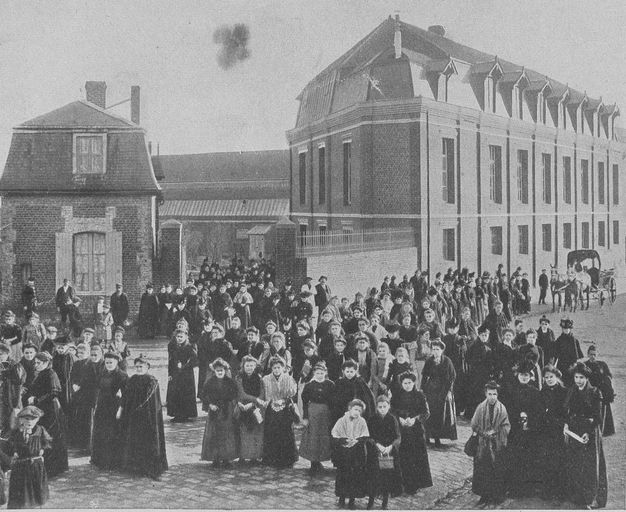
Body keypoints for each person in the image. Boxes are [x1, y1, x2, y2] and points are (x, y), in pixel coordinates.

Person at [563, 362, 607, 509]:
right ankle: (578, 496)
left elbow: (598, 418)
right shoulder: (572, 390)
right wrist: (566, 424)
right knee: (576, 464)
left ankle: (592, 498)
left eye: (581, 377)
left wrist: (588, 432)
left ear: (587, 378)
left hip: (590, 432)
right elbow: (567, 412)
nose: (578, 380)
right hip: (575, 431)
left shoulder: (595, 392)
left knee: (591, 466)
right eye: (576, 377)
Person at [119, 355, 168, 479]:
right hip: (133, 416)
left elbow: (150, 400)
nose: (139, 369)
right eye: (136, 367)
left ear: (147, 367)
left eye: (141, 366)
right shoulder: (132, 379)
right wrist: (123, 409)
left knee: (147, 441)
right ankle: (134, 466)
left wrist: (140, 411)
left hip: (147, 417)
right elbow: (126, 396)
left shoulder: (152, 381)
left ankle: (148, 467)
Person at [25, 351, 68, 477]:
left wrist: (37, 400)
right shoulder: (40, 373)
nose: (36, 365)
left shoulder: (51, 374)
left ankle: (53, 468)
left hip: (51, 410)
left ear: (46, 363)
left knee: (50, 435)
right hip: (43, 409)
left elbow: (55, 391)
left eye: (39, 363)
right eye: (35, 363)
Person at [505, 360, 544, 498]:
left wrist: (529, 416)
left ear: (531, 376)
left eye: (527, 375)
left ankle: (528, 488)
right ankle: (514, 487)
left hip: (529, 430)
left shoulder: (535, 392)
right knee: (514, 457)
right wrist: (518, 415)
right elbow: (507, 409)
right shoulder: (510, 390)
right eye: (522, 374)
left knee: (528, 457)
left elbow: (539, 411)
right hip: (515, 429)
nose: (524, 377)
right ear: (517, 375)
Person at [390, 372, 432, 494]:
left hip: (415, 431)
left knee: (415, 457)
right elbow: (392, 411)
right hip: (401, 430)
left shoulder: (420, 396)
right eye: (404, 383)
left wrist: (415, 419)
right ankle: (400, 483)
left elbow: (426, 412)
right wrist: (399, 419)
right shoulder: (396, 396)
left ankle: (414, 484)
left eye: (409, 383)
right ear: (401, 384)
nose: (407, 385)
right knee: (402, 456)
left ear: (414, 383)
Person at [470, 381, 510, 507]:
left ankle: (496, 495)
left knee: (496, 470)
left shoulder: (501, 408)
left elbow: (506, 426)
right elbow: (474, 425)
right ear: (485, 394)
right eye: (489, 394)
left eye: (494, 394)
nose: (492, 397)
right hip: (483, 444)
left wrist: (496, 431)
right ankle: (484, 495)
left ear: (497, 395)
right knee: (483, 470)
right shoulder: (480, 407)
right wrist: (483, 433)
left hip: (497, 444)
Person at [3, 406, 51, 509]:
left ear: (37, 419)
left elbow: (46, 442)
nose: (29, 422)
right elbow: (9, 445)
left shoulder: (40, 430)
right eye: (26, 419)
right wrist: (14, 452)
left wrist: (42, 449)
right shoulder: (16, 432)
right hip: (21, 465)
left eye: (33, 419)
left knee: (37, 489)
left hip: (35, 465)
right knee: (22, 491)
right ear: (21, 419)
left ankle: (37, 506)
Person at [331, 399, 373, 510]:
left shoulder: (362, 421)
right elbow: (335, 433)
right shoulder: (341, 420)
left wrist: (357, 441)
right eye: (355, 409)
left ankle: (352, 500)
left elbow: (365, 435)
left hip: (356, 452)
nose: (356, 412)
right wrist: (344, 440)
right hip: (344, 452)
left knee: (354, 476)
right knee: (343, 475)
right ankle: (341, 497)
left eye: (359, 411)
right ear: (350, 408)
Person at [90, 352, 128, 470]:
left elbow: (126, 395)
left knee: (112, 433)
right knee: (100, 432)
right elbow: (98, 389)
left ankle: (113, 461)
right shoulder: (102, 373)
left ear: (117, 362)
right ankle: (99, 459)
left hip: (114, 408)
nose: (109, 365)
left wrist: (120, 409)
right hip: (102, 407)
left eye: (111, 363)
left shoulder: (122, 375)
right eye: (107, 362)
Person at [201, 358, 239, 469]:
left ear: (225, 370)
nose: (220, 372)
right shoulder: (210, 382)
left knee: (227, 434)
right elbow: (204, 395)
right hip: (214, 411)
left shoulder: (230, 382)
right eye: (217, 370)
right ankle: (215, 459)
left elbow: (234, 394)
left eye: (221, 370)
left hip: (226, 411)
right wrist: (210, 405)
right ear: (214, 371)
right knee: (214, 435)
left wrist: (230, 405)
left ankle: (226, 459)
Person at [366, 395, 403, 510]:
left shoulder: (392, 419)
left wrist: (390, 447)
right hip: (375, 452)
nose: (382, 409)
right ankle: (371, 500)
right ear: (377, 407)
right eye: (380, 407)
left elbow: (398, 437)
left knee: (386, 476)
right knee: (373, 476)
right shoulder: (372, 419)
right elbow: (368, 436)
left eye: (384, 406)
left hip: (388, 453)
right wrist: (377, 445)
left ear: (389, 407)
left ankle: (385, 501)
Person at [261, 356, 298, 469]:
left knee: (285, 433)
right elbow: (264, 394)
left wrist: (284, 400)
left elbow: (293, 394)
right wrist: (271, 401)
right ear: (271, 368)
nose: (276, 370)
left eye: (278, 367)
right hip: (271, 408)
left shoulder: (289, 378)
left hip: (285, 408)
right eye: (274, 367)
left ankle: (287, 459)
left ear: (283, 367)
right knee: (272, 432)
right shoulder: (266, 379)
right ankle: (272, 458)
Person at [300, 362, 335, 476]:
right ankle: (313, 462)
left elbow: (333, 401)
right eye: (318, 373)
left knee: (323, 436)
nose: (320, 375)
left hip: (325, 412)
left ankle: (320, 460)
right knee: (313, 436)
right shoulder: (309, 386)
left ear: (325, 373)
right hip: (313, 412)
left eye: (322, 373)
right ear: (314, 373)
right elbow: (305, 402)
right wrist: (305, 417)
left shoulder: (330, 385)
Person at [539, 364, 568, 499]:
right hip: (546, 429)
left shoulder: (563, 391)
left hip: (558, 429)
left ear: (556, 377)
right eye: (546, 377)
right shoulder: (543, 392)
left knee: (559, 459)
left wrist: (560, 423)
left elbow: (566, 412)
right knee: (546, 459)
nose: (549, 379)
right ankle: (547, 491)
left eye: (551, 377)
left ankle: (560, 491)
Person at [421, 339, 457, 446]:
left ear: (442, 350)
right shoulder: (429, 361)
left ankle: (437, 438)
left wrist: (449, 391)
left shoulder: (447, 361)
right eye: (434, 349)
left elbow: (451, 378)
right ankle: (427, 437)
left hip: (443, 389)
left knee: (440, 414)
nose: (435, 352)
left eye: (438, 349)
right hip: (431, 390)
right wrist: (422, 390)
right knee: (429, 413)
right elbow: (424, 376)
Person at [68, 343, 102, 452]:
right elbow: (75, 377)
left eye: (83, 353)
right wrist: (75, 384)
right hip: (82, 395)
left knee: (91, 420)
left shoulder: (97, 365)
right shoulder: (81, 364)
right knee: (83, 419)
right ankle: (82, 443)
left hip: (94, 395)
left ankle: (90, 445)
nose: (93, 357)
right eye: (79, 353)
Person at [235, 356, 266, 465]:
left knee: (255, 432)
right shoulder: (239, 378)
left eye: (251, 365)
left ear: (255, 366)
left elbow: (262, 394)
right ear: (243, 366)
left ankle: (254, 456)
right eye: (247, 365)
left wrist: (254, 403)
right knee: (243, 433)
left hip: (255, 407)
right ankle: (242, 456)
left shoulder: (259, 378)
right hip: (242, 406)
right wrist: (253, 400)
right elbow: (241, 393)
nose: (249, 368)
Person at [166, 329, 198, 422]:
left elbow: (195, 361)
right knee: (175, 393)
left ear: (186, 337)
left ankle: (186, 414)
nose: (179, 339)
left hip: (186, 375)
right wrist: (170, 374)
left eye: (181, 337)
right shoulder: (174, 347)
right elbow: (171, 362)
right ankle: (177, 414)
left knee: (185, 393)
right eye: (178, 337)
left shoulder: (189, 347)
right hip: (176, 374)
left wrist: (184, 366)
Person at [585, 345, 615, 436]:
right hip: (591, 391)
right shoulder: (585, 365)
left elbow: (609, 376)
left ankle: (606, 431)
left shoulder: (602, 364)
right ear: (588, 354)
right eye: (591, 354)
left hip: (602, 391)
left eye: (594, 354)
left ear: (597, 354)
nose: (593, 356)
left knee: (604, 410)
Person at [0, 343, 25, 436]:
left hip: (11, 398)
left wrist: (6, 373)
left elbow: (20, 379)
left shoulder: (15, 365)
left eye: (1, 354)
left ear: (7, 354)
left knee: (12, 423)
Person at [553, 317, 583, 387]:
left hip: (571, 366)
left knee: (571, 383)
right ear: (562, 329)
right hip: (561, 365)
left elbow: (576, 356)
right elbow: (555, 354)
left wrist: (573, 366)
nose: (566, 330)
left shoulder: (574, 340)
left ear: (570, 329)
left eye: (568, 329)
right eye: (564, 329)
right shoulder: (559, 340)